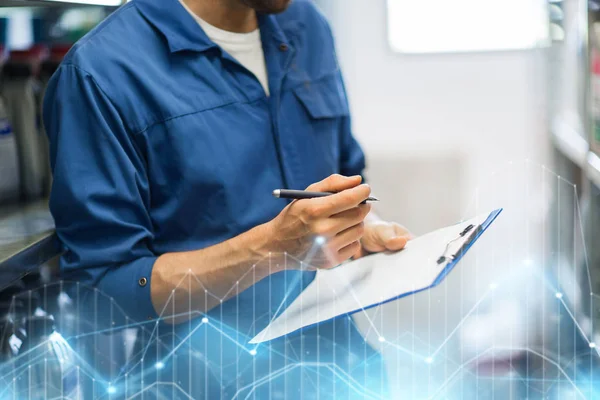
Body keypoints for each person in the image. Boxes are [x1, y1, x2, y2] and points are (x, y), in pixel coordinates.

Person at [43, 0, 411, 398]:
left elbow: (344, 170)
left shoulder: (307, 26)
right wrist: (272, 249)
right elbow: (107, 289)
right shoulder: (102, 72)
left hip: (341, 374)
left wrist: (359, 228)